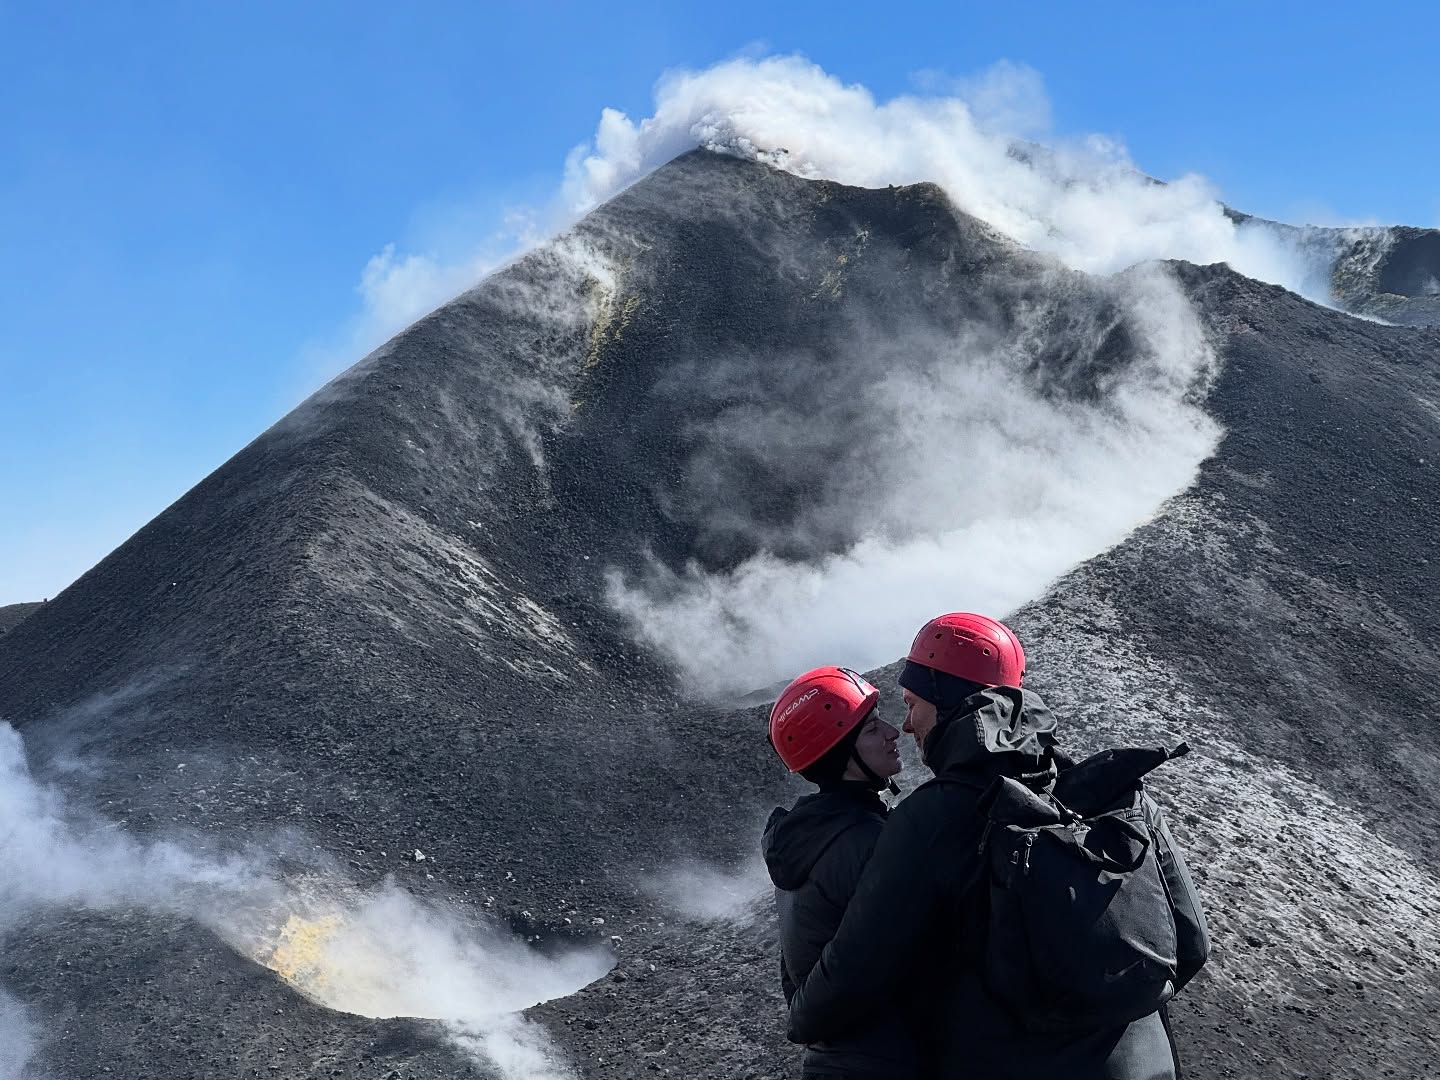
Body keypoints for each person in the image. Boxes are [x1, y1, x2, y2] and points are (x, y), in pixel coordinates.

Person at [787, 612, 1191, 1080]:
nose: (908, 725)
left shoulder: (934, 817)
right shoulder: (1116, 791)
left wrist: (800, 1018)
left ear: (946, 701)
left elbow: (857, 971)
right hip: (1148, 1065)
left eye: (912, 703)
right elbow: (1192, 944)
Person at [762, 665, 924, 1080]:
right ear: (841, 756)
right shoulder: (865, 842)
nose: (892, 731)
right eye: (871, 729)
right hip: (886, 1061)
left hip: (836, 1060)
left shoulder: (806, 837)